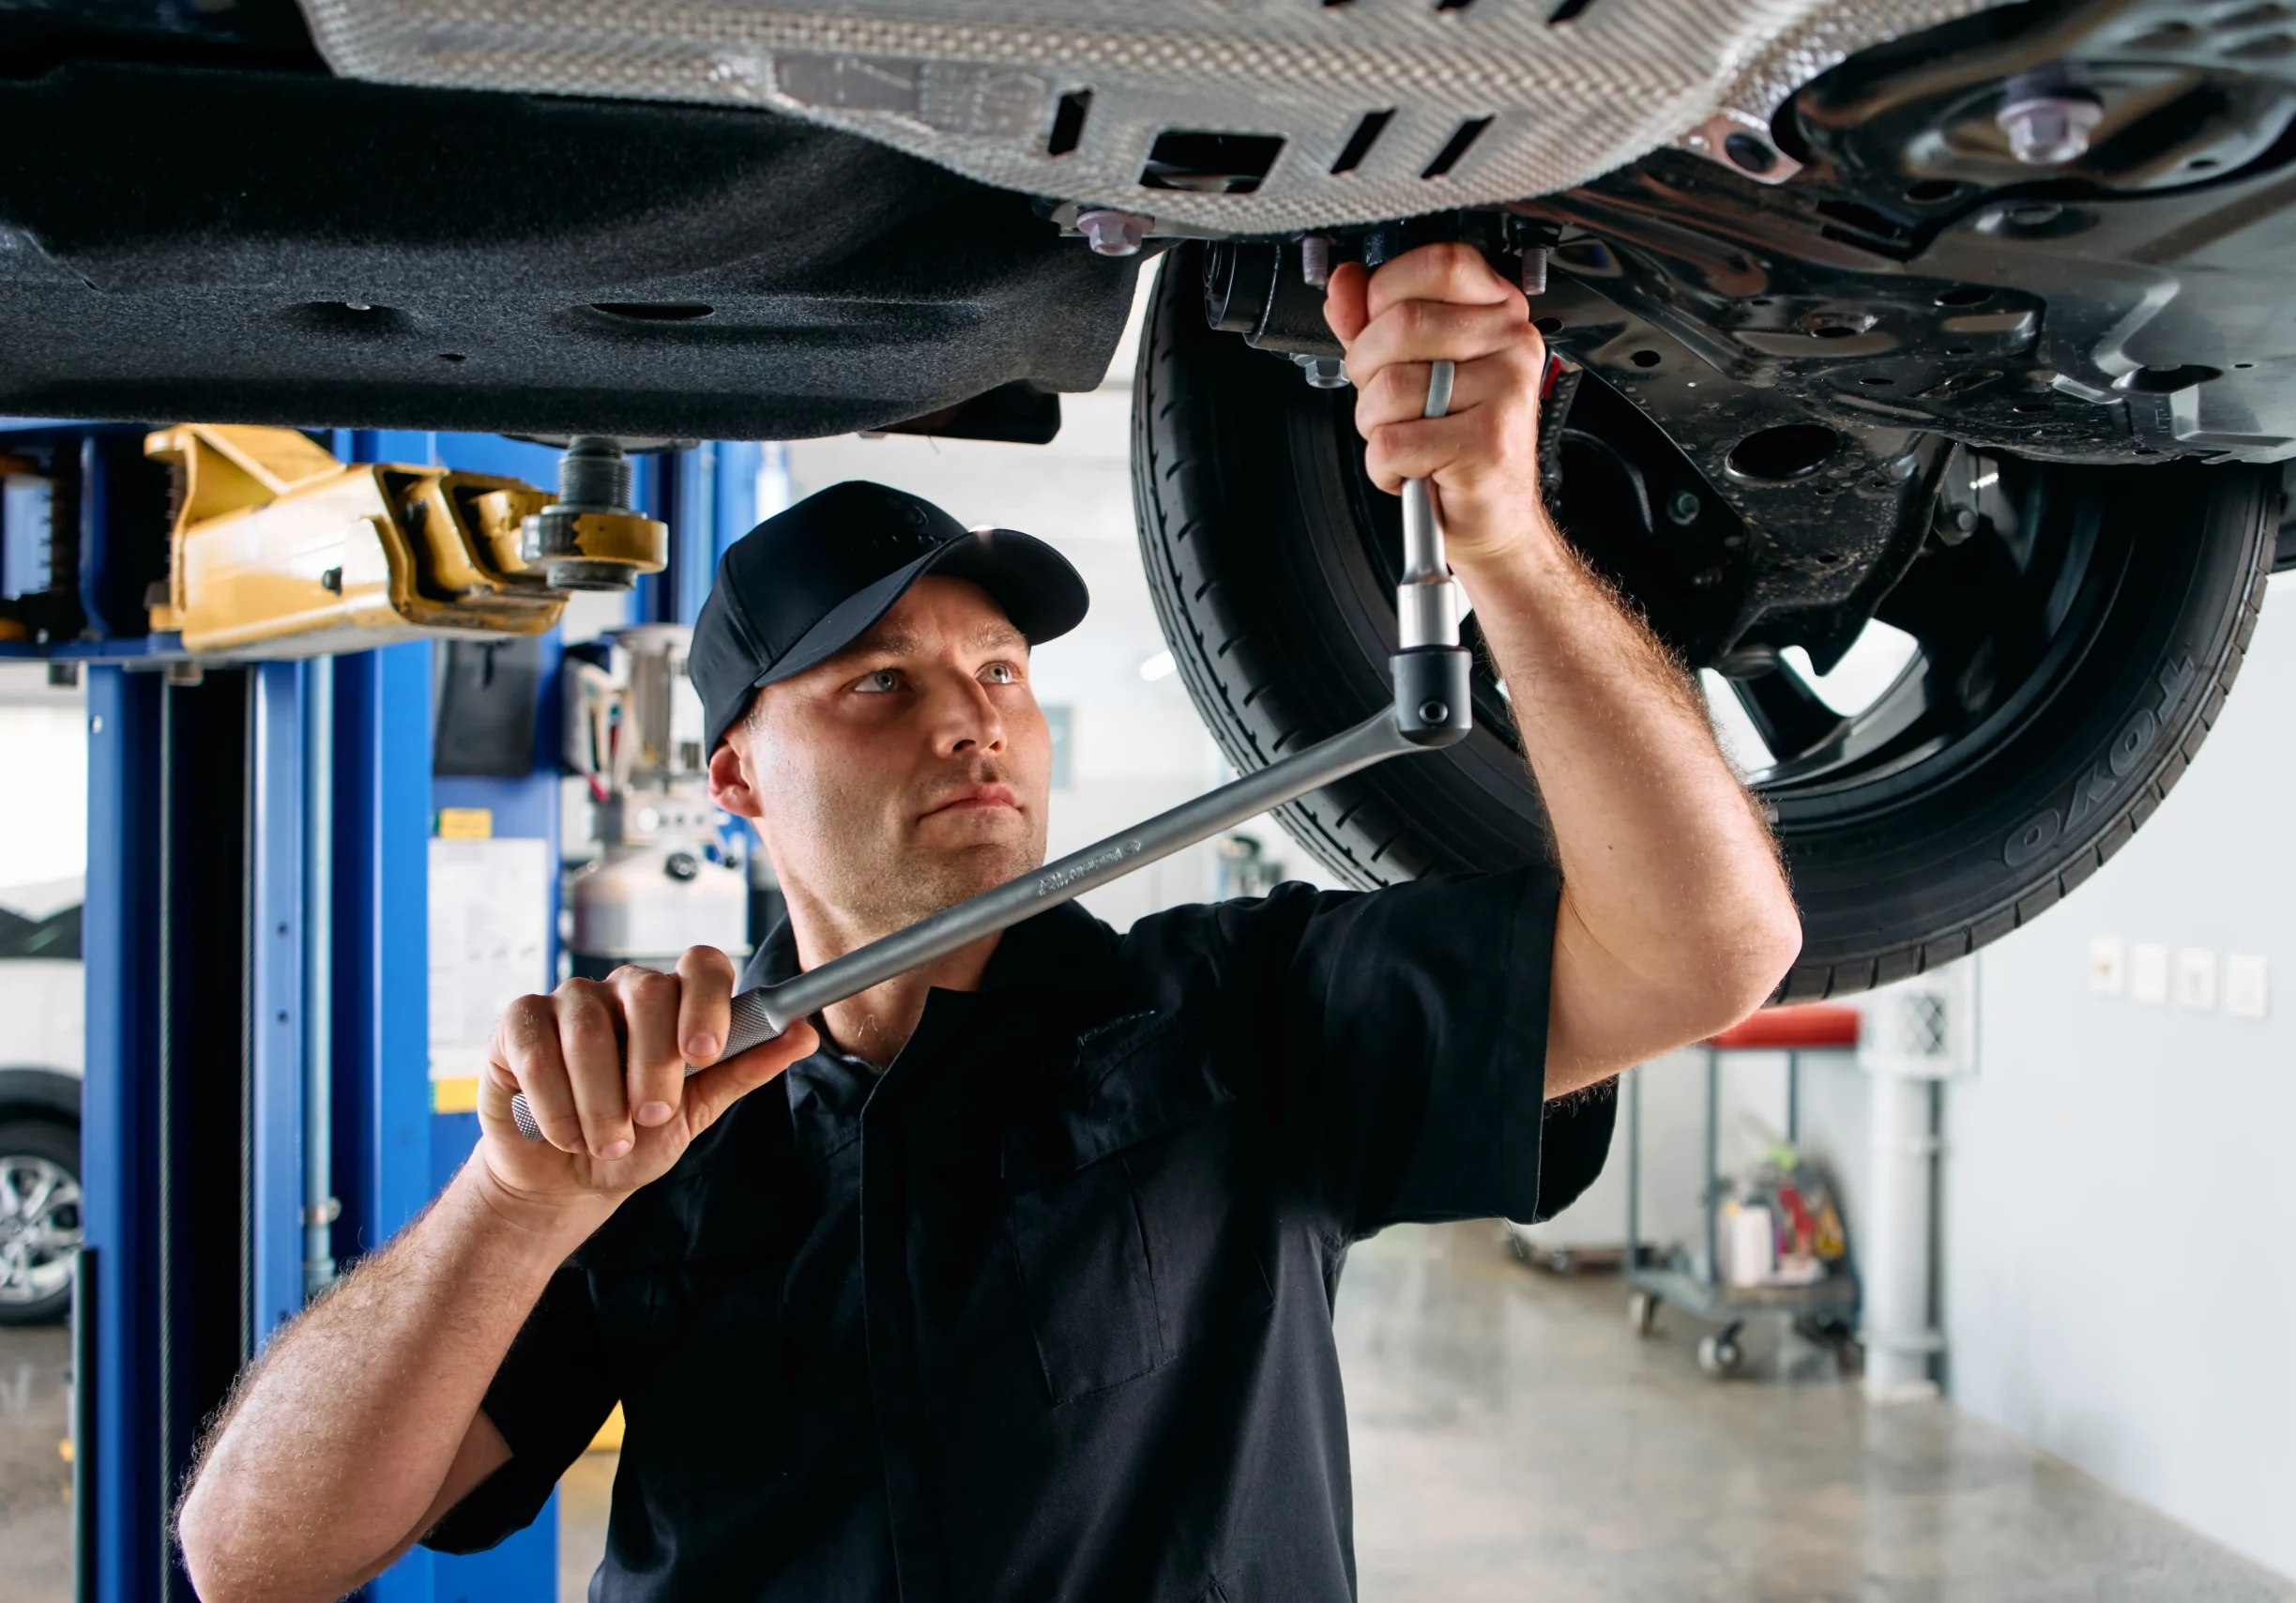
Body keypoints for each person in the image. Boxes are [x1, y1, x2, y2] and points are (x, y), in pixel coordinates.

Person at [176, 243, 1800, 1603]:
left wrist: (1503, 542)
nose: (972, 725)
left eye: (1000, 676)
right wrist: (513, 1205)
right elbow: (254, 1559)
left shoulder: (1241, 1015)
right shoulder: (653, 1133)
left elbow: (1707, 951)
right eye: (879, 684)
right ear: (735, 775)